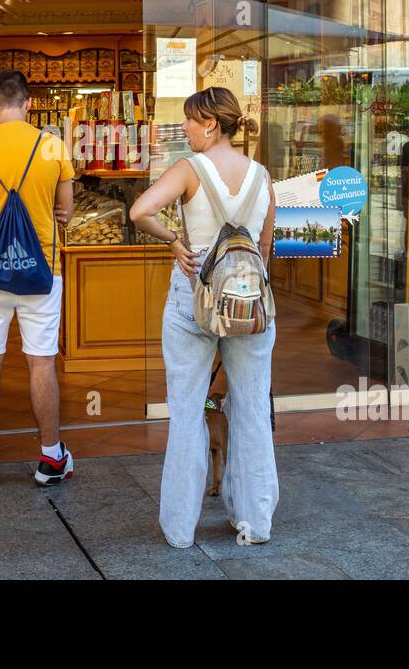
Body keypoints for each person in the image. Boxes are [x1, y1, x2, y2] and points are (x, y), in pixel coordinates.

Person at [129, 86, 277, 547]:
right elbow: (265, 247)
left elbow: (140, 211)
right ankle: (255, 521)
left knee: (188, 410)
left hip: (194, 298)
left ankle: (179, 528)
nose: (186, 129)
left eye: (191, 121)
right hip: (249, 303)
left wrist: (174, 240)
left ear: (210, 124)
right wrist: (247, 291)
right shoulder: (262, 174)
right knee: (251, 408)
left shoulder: (189, 170)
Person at [0, 70, 75, 488]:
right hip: (42, 269)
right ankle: (50, 457)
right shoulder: (53, 147)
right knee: (41, 361)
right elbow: (65, 212)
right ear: (29, 104)